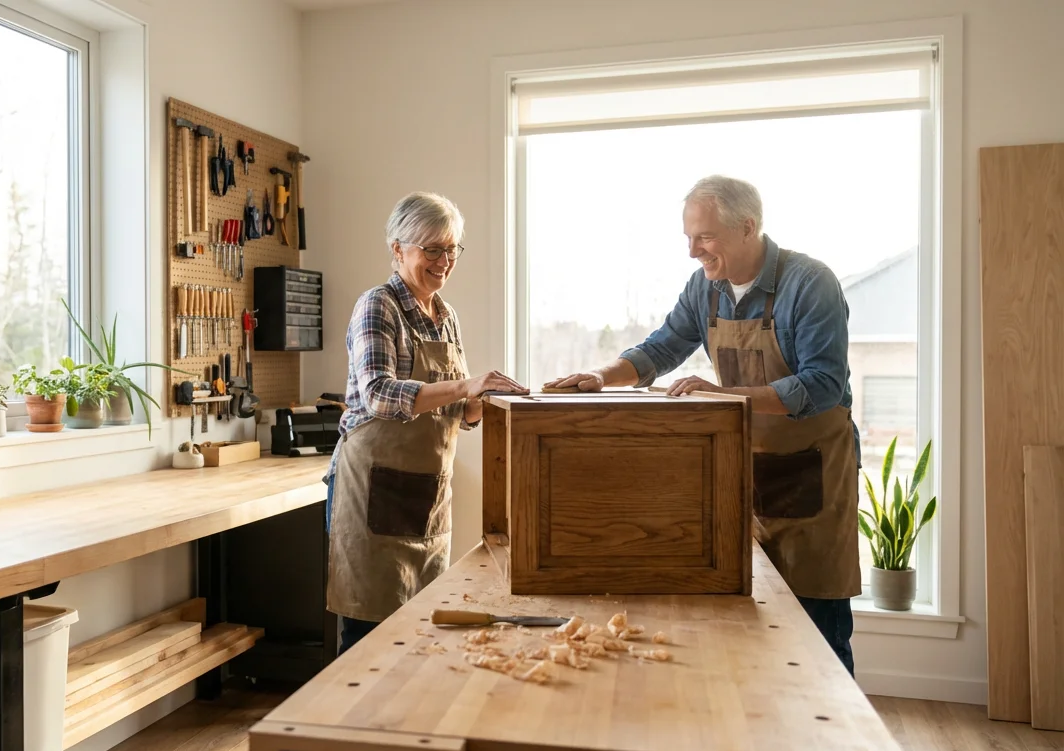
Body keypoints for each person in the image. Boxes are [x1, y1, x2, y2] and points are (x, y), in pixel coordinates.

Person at [547, 175, 861, 675]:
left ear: (748, 227)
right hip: (743, 472)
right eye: (689, 238)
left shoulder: (810, 283)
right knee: (747, 626)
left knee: (817, 629)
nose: (694, 251)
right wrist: (601, 376)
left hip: (813, 478)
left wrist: (725, 394)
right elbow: (663, 346)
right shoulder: (706, 287)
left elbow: (822, 384)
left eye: (705, 237)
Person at [326, 191, 527, 656]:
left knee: (422, 627)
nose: (444, 261)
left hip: (427, 493)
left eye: (452, 248)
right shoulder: (378, 306)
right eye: (431, 249)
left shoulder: (445, 315)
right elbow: (377, 394)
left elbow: (459, 412)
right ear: (398, 249)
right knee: (369, 635)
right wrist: (464, 386)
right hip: (372, 489)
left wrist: (486, 398)